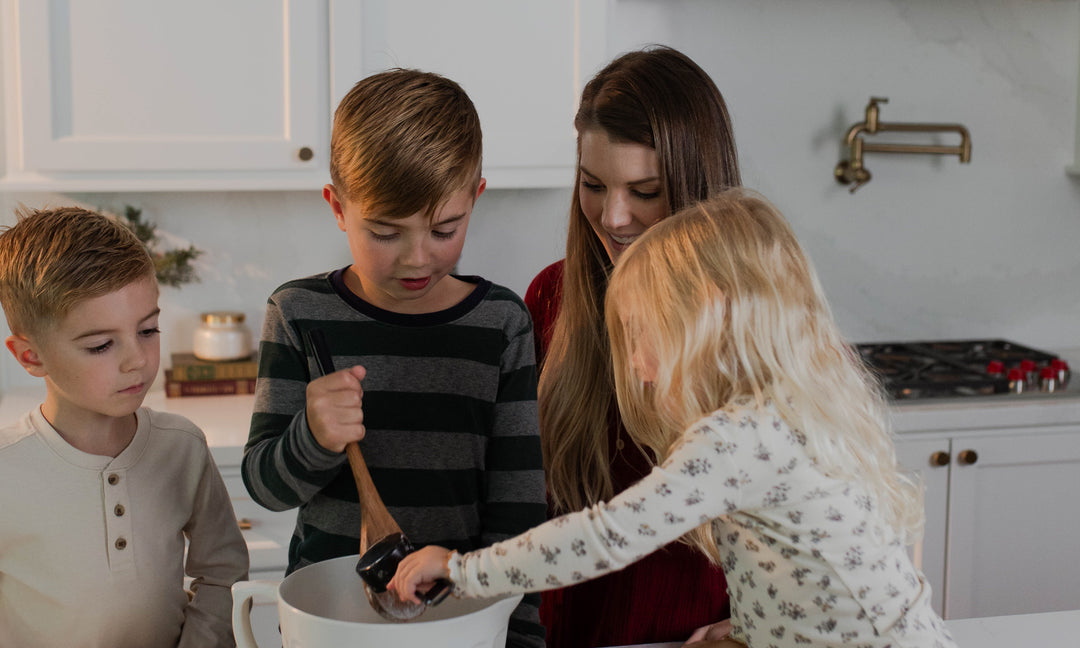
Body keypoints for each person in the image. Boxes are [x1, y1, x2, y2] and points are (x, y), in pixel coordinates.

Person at [389, 190, 958, 648]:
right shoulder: (796, 406)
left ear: (705, 312)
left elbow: (606, 537)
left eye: (639, 332)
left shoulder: (736, 437)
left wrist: (463, 571)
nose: (634, 365)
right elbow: (829, 570)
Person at [241, 69, 547, 648]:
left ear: (475, 198)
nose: (416, 258)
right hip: (330, 620)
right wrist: (313, 436)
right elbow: (266, 486)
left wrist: (522, 636)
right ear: (337, 207)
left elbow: (519, 515)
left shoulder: (500, 324)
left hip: (465, 621)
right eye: (385, 232)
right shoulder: (297, 312)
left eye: (444, 229)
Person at [524, 45, 740, 647]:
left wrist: (755, 622)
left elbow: (817, 513)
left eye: (645, 191)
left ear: (697, 186)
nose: (613, 217)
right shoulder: (550, 297)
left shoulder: (755, 314)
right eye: (593, 184)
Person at [0, 206, 249, 648]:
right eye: (100, 345)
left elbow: (223, 571)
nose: (137, 359)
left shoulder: (183, 448)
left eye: (148, 330)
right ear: (30, 357)